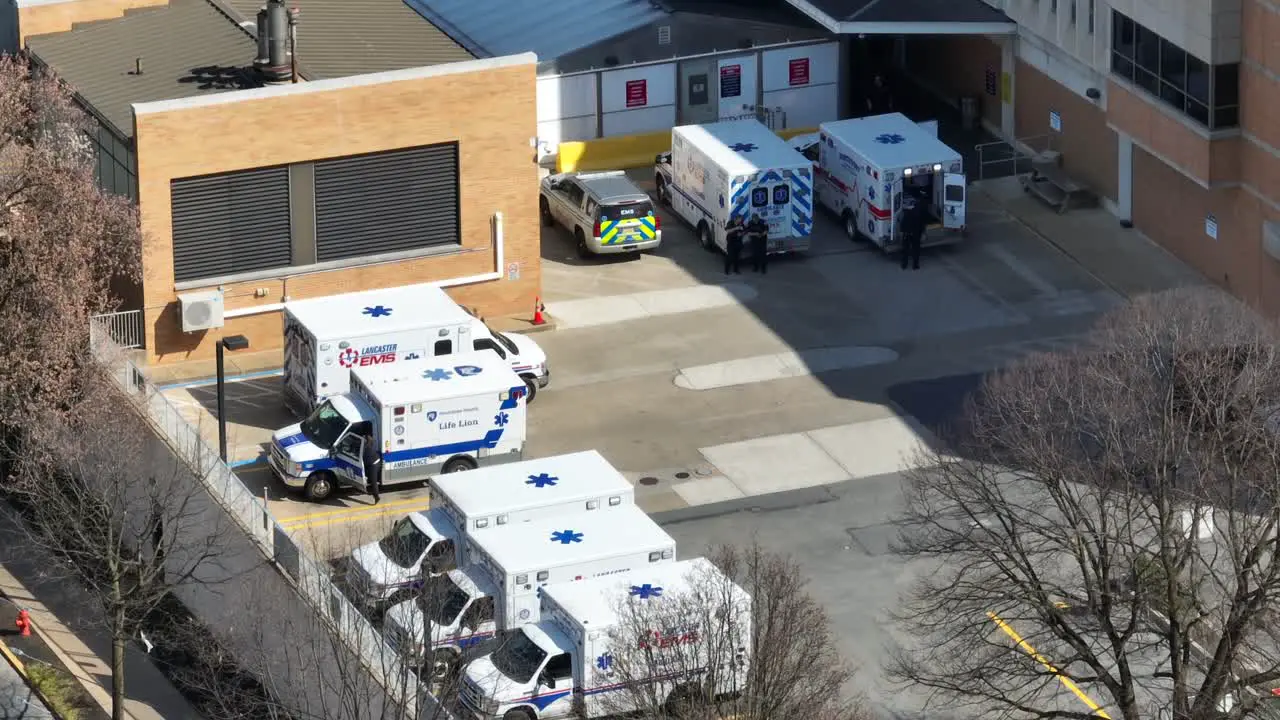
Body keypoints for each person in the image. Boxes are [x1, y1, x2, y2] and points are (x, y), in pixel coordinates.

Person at [899, 194, 925, 271]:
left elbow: (903, 223)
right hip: (916, 234)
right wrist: (922, 232)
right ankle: (915, 265)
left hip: (907, 234)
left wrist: (902, 232)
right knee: (916, 250)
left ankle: (904, 264)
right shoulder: (919, 213)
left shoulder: (907, 213)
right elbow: (921, 224)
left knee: (905, 250)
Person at [361, 430, 382, 504]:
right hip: (377, 461)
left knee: (374, 481)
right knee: (371, 478)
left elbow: (365, 460)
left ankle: (376, 497)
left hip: (373, 464)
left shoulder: (366, 449)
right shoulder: (371, 443)